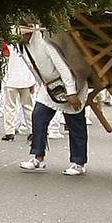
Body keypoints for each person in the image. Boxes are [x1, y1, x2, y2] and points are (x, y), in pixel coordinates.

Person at [17, 27, 88, 176]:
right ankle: (38, 157)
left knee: (75, 123)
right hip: (49, 87)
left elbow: (63, 67)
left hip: (70, 83)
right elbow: (34, 69)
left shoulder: (45, 42)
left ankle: (79, 162)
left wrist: (71, 92)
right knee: (38, 116)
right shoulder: (22, 46)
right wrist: (39, 86)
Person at [1, 34, 35, 141]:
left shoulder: (10, 46)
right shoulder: (30, 48)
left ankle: (9, 131)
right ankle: (32, 130)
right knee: (28, 107)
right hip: (26, 80)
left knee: (10, 106)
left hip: (11, 79)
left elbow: (5, 57)